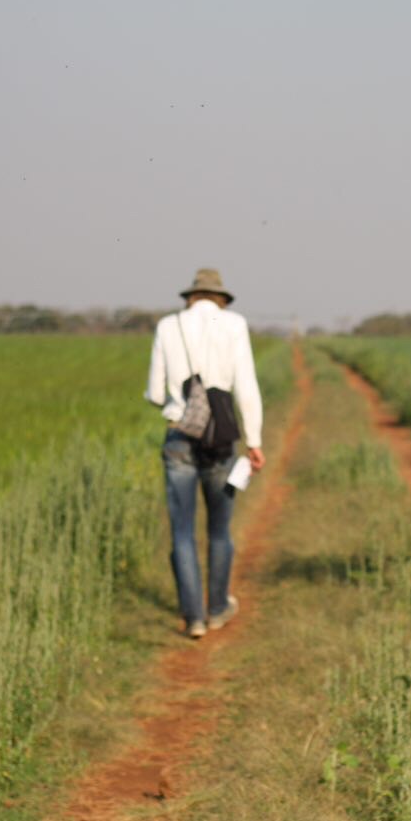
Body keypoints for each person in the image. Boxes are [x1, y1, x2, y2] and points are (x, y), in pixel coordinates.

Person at [145, 268, 264, 640]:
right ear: (221, 299)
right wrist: (255, 441)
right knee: (218, 530)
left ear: (189, 298)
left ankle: (193, 617)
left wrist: (182, 406)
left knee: (182, 532)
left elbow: (153, 391)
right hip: (221, 440)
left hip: (179, 436)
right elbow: (246, 385)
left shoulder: (168, 326)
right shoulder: (234, 325)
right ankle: (216, 609)